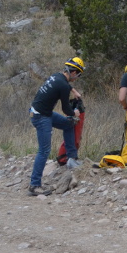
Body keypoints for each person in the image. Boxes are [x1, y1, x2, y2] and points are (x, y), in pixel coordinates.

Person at [28, 57, 85, 196]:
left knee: (68, 124)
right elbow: (66, 110)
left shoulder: (57, 76)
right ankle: (35, 185)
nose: (77, 77)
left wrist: (73, 90)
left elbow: (64, 85)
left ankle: (71, 159)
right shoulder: (63, 85)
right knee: (44, 150)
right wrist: (75, 112)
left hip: (40, 112)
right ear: (73, 72)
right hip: (41, 117)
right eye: (78, 74)